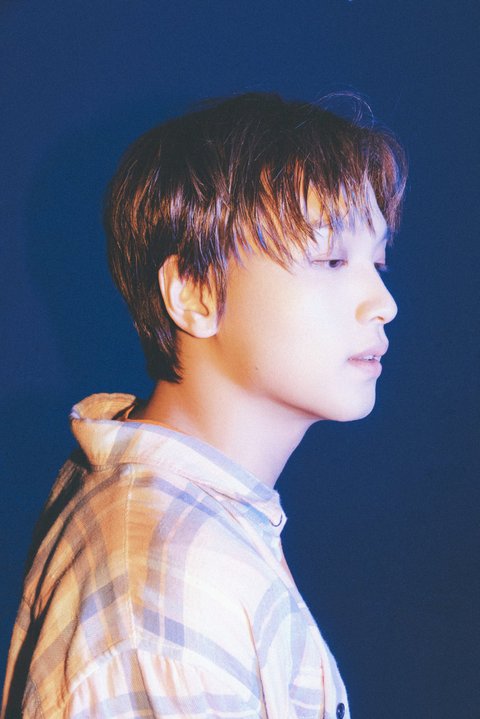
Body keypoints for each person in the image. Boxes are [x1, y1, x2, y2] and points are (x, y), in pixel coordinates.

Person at [2, 92, 407, 718]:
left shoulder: (181, 513)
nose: (383, 303)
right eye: (331, 259)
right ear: (193, 291)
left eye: (377, 262)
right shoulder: (170, 590)